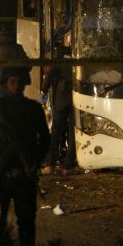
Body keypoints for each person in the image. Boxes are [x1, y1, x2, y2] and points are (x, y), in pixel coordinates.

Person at [0, 67, 50, 246]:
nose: (16, 86)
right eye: (12, 82)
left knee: (26, 221)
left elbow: (45, 140)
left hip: (24, 174)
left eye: (19, 82)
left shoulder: (32, 109)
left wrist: (33, 162)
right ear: (6, 83)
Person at [40, 45, 75, 174]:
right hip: (75, 98)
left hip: (61, 99)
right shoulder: (75, 59)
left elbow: (48, 79)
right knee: (72, 133)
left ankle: (50, 164)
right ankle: (69, 165)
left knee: (56, 132)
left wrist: (42, 98)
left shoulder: (57, 61)